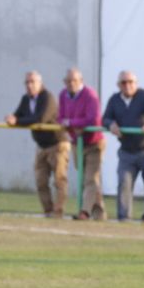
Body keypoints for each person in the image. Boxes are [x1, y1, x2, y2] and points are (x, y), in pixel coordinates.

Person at [6, 70, 67, 217]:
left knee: (59, 181)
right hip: (41, 145)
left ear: (40, 83)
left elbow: (41, 118)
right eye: (27, 82)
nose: (29, 85)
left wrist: (17, 121)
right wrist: (11, 118)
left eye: (33, 82)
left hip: (57, 144)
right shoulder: (25, 99)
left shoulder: (47, 97)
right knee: (40, 181)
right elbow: (18, 115)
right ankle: (48, 211)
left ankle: (58, 213)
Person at [102, 70, 144, 222]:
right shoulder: (114, 100)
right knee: (124, 182)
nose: (127, 85)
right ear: (118, 85)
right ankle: (124, 217)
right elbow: (105, 118)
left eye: (130, 82)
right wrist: (111, 124)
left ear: (136, 83)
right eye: (123, 82)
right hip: (127, 149)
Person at [59, 67, 105, 220]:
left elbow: (93, 118)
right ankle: (100, 213)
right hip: (76, 143)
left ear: (81, 81)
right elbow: (60, 117)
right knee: (88, 178)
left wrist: (73, 123)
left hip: (94, 143)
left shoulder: (90, 95)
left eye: (74, 80)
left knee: (90, 179)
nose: (71, 84)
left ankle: (84, 212)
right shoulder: (63, 95)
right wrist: (70, 125)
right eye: (68, 81)